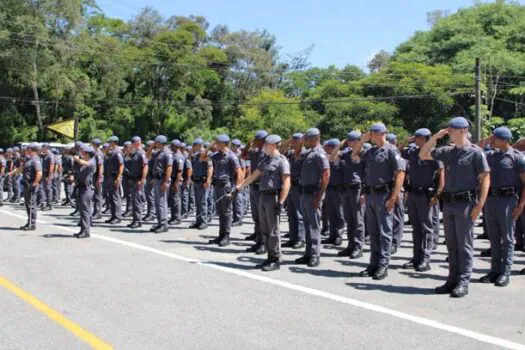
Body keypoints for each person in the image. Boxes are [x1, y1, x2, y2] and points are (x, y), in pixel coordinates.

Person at [420, 116, 490, 298]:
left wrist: (480, 205)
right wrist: (435, 137)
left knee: (464, 245)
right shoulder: (448, 151)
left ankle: (463, 281)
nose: (449, 133)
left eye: (452, 130)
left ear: (463, 131)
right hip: (449, 204)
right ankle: (452, 280)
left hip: (466, 204)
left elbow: (485, 179)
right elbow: (423, 154)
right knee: (451, 245)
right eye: (448, 130)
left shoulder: (476, 153)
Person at [352, 123, 406, 280]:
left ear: (380, 134)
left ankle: (383, 265)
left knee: (385, 232)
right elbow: (355, 156)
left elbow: (400, 174)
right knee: (374, 232)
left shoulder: (391, 150)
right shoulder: (371, 151)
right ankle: (373, 264)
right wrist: (361, 140)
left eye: (371, 134)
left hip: (384, 195)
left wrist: (393, 198)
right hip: (371, 195)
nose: (370, 136)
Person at [236, 135, 291, 271]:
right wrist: (238, 187)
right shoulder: (265, 160)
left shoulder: (281, 161)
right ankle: (269, 256)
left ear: (273, 145)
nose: (264, 147)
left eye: (266, 144)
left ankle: (276, 258)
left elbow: (286, 183)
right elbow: (254, 176)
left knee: (273, 230)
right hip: (262, 196)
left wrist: (281, 202)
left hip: (273, 197)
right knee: (264, 228)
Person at [478, 127, 525, 286]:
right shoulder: (490, 156)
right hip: (491, 200)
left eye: (496, 138)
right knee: (494, 237)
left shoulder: (517, 157)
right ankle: (494, 271)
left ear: (504, 140)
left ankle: (505, 272)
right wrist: (489, 137)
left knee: (508, 238)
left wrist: (520, 205)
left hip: (508, 201)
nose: (492, 140)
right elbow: (477, 148)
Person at [400, 128, 444, 272]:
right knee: (416, 228)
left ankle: (426, 258)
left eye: (419, 137)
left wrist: (437, 195)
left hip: (427, 195)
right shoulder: (412, 152)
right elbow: (398, 151)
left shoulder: (434, 153)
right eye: (416, 137)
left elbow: (441, 175)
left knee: (427, 228)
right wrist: (406, 141)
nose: (416, 139)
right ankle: (416, 257)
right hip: (413, 193)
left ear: (426, 139)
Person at [294, 128, 330, 267]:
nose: (306, 141)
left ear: (315, 139)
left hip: (313, 193)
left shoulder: (320, 154)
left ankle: (315, 255)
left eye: (308, 139)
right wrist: (301, 142)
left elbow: (326, 175)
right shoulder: (309, 153)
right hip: (304, 193)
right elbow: (296, 154)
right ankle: (308, 253)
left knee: (314, 226)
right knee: (308, 224)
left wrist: (319, 196)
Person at [209, 134, 241, 247]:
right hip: (217, 185)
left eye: (218, 142)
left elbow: (239, 173)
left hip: (226, 186)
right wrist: (210, 146)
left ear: (223, 144)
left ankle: (227, 236)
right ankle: (221, 234)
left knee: (227, 212)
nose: (216, 144)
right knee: (220, 212)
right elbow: (202, 157)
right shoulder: (216, 155)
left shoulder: (231, 156)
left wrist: (235, 189)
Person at [339, 131, 366, 258]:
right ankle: (350, 246)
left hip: (357, 188)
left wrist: (364, 192)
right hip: (346, 188)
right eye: (348, 140)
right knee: (349, 220)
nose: (348, 142)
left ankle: (358, 246)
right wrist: (340, 145)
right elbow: (332, 157)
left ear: (357, 141)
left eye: (350, 140)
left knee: (358, 220)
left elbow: (367, 173)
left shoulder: (364, 153)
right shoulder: (346, 153)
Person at [242, 130, 268, 247]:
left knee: (262, 217)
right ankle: (258, 239)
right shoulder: (254, 152)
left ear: (262, 141)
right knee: (256, 215)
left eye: (257, 140)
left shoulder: (267, 153)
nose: (255, 142)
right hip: (253, 186)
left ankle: (263, 243)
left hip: (261, 187)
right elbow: (243, 155)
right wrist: (248, 144)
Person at [8, 144, 42, 231]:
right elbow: (21, 168)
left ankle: (32, 224)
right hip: (26, 184)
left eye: (27, 148)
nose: (26, 150)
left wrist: (35, 183)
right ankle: (29, 221)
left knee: (31, 205)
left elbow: (39, 173)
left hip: (31, 184)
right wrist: (12, 173)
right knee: (28, 205)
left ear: (31, 149)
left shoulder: (35, 160)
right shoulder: (29, 159)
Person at [283, 133, 307, 249]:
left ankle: (301, 239)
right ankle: (292, 238)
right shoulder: (291, 153)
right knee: (291, 213)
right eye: (292, 141)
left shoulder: (305, 154)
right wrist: (286, 142)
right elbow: (281, 152)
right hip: (290, 186)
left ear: (300, 141)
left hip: (299, 186)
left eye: (294, 141)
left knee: (299, 214)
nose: (292, 143)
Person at [322, 138, 345, 247]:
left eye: (329, 147)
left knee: (339, 214)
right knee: (331, 214)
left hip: (338, 189)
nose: (327, 149)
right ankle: (332, 235)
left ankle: (339, 235)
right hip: (329, 189)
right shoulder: (328, 159)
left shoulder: (342, 158)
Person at [72, 145, 96, 239]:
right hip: (81, 187)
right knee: (82, 210)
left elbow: (85, 164)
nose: (82, 154)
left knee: (85, 211)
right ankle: (82, 230)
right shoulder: (85, 161)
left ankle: (86, 231)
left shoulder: (91, 162)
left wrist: (77, 159)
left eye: (84, 153)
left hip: (87, 189)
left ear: (87, 154)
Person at [150, 135, 173, 234]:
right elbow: (147, 156)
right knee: (157, 203)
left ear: (160, 143)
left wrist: (165, 181)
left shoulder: (167, 153)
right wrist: (152, 146)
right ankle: (160, 223)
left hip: (163, 179)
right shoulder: (158, 152)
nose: (155, 143)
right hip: (157, 179)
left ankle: (164, 224)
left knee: (162, 203)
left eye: (156, 142)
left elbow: (169, 167)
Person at [189, 138, 213, 230]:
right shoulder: (195, 155)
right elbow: (189, 159)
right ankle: (198, 221)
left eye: (194, 145)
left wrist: (208, 180)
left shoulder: (207, 155)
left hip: (203, 182)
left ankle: (203, 222)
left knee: (203, 202)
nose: (193, 147)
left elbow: (210, 168)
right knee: (198, 203)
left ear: (199, 145)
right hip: (196, 181)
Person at [127, 136, 148, 229]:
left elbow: (145, 167)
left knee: (137, 201)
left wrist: (142, 179)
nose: (132, 143)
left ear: (138, 143)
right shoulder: (134, 153)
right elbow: (127, 158)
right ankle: (135, 219)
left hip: (138, 180)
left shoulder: (141, 153)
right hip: (133, 179)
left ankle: (138, 221)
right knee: (134, 201)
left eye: (133, 142)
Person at [105, 136, 124, 224]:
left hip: (115, 176)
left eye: (110, 142)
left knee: (116, 197)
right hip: (110, 176)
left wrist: (118, 177)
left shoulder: (117, 152)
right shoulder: (112, 151)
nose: (109, 143)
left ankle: (117, 216)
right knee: (111, 197)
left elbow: (121, 165)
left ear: (114, 142)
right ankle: (113, 216)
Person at [168, 140, 184, 226]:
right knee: (173, 199)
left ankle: (177, 218)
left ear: (177, 146)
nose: (171, 147)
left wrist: (176, 183)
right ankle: (173, 217)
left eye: (172, 145)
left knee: (176, 199)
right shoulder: (173, 155)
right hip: (173, 179)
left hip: (177, 180)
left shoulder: (179, 156)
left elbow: (180, 171)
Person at [231, 139, 246, 226]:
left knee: (238, 200)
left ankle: (239, 219)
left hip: (238, 180)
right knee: (233, 200)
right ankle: (235, 218)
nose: (233, 147)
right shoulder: (231, 154)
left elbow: (243, 169)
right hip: (232, 179)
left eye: (235, 145)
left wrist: (240, 182)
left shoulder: (240, 155)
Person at [143, 140, 157, 222]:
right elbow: (146, 155)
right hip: (149, 177)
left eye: (148, 146)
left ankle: (151, 213)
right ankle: (149, 213)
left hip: (152, 177)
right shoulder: (151, 154)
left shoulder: (154, 154)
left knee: (150, 196)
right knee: (148, 196)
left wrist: (152, 146)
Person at [91, 139, 105, 220]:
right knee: (96, 195)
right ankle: (96, 211)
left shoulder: (98, 154)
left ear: (95, 145)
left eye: (92, 144)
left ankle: (98, 212)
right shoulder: (95, 153)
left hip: (97, 176)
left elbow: (100, 166)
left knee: (98, 195)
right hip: (95, 176)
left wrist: (99, 178)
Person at [40, 143, 55, 211]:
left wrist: (49, 176)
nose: (42, 149)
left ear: (46, 148)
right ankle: (46, 203)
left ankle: (49, 205)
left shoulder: (50, 156)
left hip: (47, 175)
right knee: (45, 189)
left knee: (48, 190)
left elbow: (51, 166)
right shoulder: (45, 155)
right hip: (44, 174)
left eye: (43, 147)